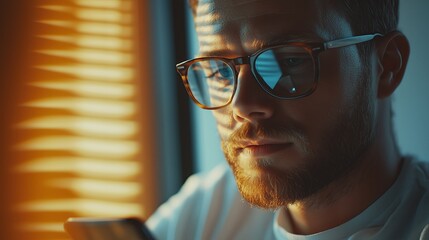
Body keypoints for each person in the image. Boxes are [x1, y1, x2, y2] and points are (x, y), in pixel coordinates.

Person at [146, 0, 429, 239]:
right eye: (220, 72)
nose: (242, 105)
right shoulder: (204, 213)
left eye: (289, 61)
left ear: (387, 66)